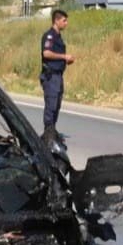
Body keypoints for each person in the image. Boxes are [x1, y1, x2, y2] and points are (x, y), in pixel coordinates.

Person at [40, 9, 75, 148]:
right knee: (51, 105)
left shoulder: (58, 37)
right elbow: (46, 53)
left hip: (58, 75)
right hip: (51, 76)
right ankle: (48, 135)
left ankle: (52, 131)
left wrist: (65, 60)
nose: (66, 23)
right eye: (64, 20)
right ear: (56, 20)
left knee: (57, 105)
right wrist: (64, 57)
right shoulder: (50, 36)